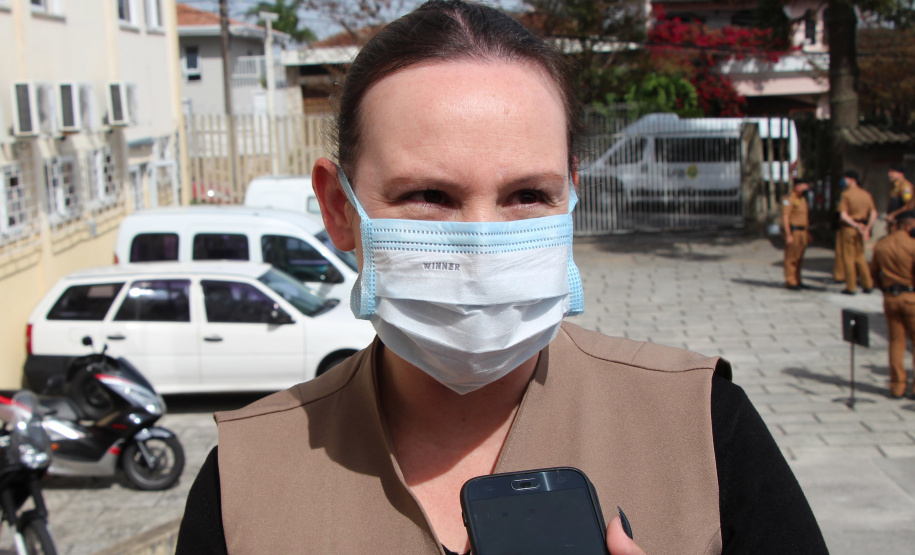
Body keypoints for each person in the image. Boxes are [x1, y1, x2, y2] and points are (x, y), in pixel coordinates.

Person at [175, 2, 827, 554]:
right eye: (429, 195)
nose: (482, 247)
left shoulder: (703, 427)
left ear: (571, 195)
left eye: (527, 195)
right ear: (338, 209)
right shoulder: (245, 477)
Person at [870, 211, 915, 398]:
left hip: (890, 297)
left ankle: (897, 386)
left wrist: (884, 289)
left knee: (896, 342)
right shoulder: (912, 245)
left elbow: (874, 272)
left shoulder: (882, 245)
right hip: (911, 297)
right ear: (907, 226)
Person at [837, 170, 877, 295]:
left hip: (849, 228)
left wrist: (855, 225)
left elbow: (843, 215)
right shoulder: (866, 194)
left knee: (848, 258)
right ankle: (868, 284)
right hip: (862, 228)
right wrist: (866, 228)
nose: (844, 181)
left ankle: (851, 287)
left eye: (846, 178)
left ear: (852, 180)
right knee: (860, 257)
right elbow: (873, 213)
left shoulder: (846, 194)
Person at [782, 180, 811, 290]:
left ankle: (798, 280)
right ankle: (790, 281)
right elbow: (785, 217)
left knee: (799, 258)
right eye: (804, 186)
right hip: (794, 231)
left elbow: (805, 218)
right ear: (797, 186)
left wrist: (807, 232)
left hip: (803, 232)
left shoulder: (803, 199)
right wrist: (788, 234)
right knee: (791, 258)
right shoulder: (789, 198)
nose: (806, 189)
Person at [885, 164, 914, 233]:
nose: (889, 174)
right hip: (895, 222)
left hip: (903, 223)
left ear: (901, 173)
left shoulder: (906, 186)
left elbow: (908, 205)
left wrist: (893, 214)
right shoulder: (895, 186)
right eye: (889, 172)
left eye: (892, 172)